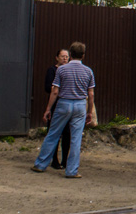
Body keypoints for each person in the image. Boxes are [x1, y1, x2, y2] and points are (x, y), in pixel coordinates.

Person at [32, 41, 95, 179]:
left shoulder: (61, 70)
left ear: (70, 55)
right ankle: (72, 170)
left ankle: (41, 164)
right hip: (79, 105)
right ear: (83, 55)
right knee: (76, 138)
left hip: (63, 103)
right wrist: (89, 112)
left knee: (53, 134)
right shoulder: (88, 71)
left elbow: (55, 91)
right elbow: (90, 93)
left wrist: (48, 109)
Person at [43, 48, 71, 170]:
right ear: (57, 57)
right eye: (62, 56)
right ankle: (54, 159)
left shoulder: (69, 71)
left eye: (67, 56)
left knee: (67, 133)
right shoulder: (52, 70)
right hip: (55, 105)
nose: (65, 58)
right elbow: (48, 87)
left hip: (67, 105)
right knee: (54, 133)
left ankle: (65, 159)